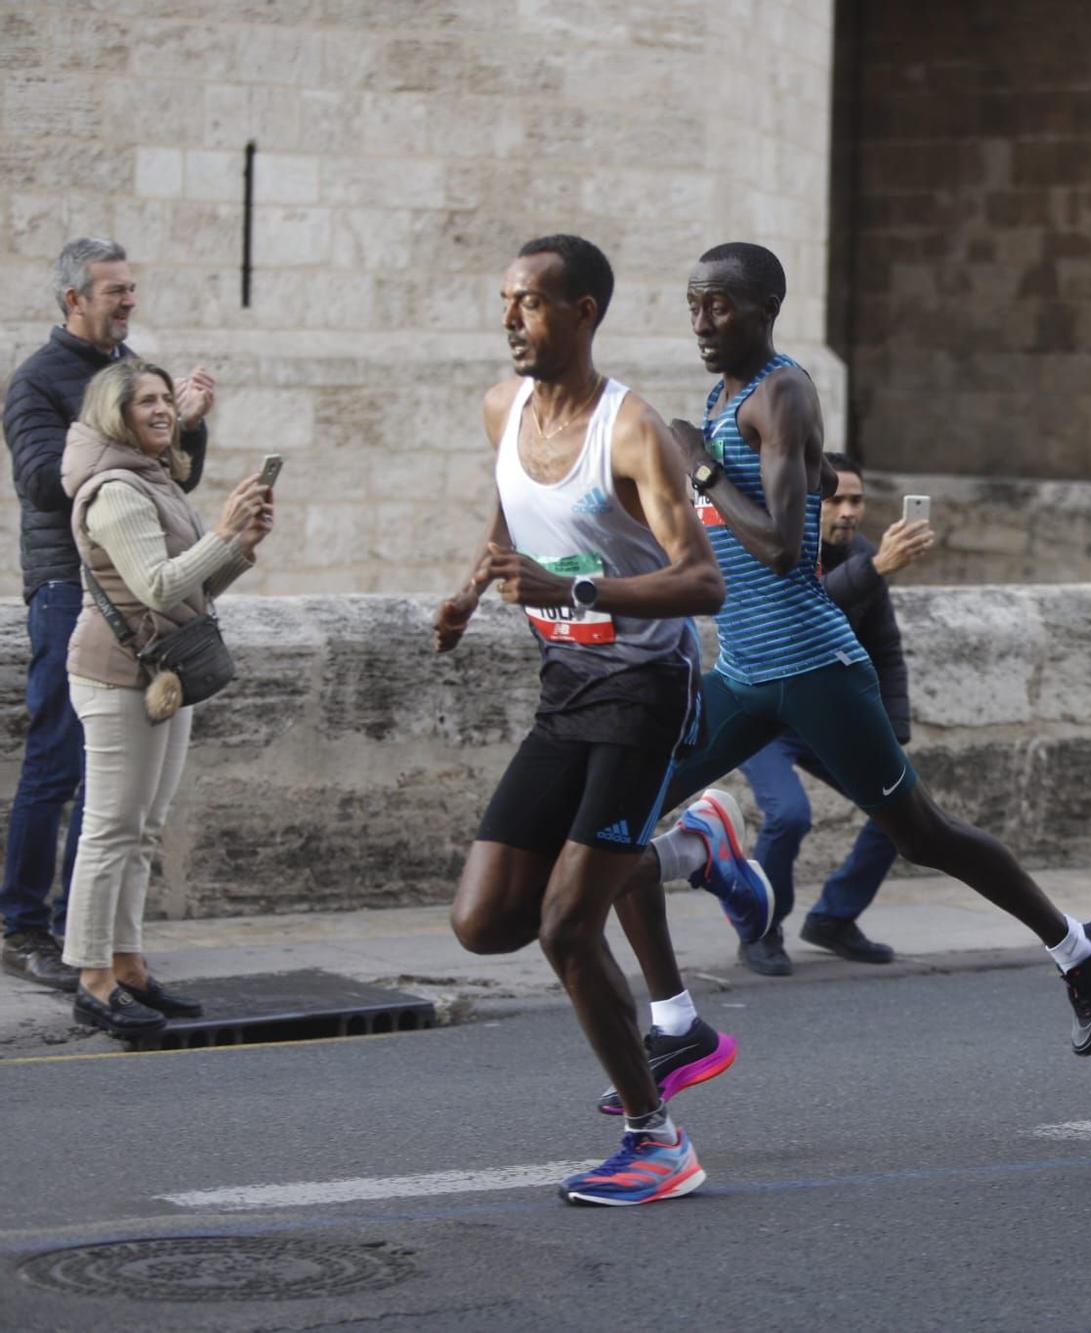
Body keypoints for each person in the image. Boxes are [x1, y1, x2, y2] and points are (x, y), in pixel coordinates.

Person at [607, 241, 1091, 1085]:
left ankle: (1081, 946)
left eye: (721, 305)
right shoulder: (721, 395)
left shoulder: (784, 392)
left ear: (767, 306)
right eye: (694, 304)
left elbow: (781, 548)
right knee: (619, 815)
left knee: (924, 834)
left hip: (817, 671)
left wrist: (697, 463)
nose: (703, 321)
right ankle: (678, 1015)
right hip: (743, 671)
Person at [435, 235, 761, 1206]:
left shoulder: (632, 432)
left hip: (645, 695)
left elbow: (703, 582)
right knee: (484, 920)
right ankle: (693, 845)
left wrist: (571, 581)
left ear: (582, 312)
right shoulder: (502, 408)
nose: (509, 321)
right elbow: (507, 515)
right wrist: (470, 588)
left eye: (529, 303)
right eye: (504, 301)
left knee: (568, 929)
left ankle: (657, 1139)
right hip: (564, 686)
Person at [2, 238, 214, 992]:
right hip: (71, 586)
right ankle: (23, 923)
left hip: (137, 589)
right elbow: (39, 481)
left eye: (131, 288)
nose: (129, 301)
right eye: (114, 291)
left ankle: (85, 933)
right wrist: (119, 426)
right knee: (57, 757)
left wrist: (182, 426)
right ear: (74, 300)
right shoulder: (37, 381)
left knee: (119, 789)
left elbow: (170, 477)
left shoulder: (127, 372)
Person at [59, 361, 265, 1036]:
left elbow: (190, 593)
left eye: (164, 400)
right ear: (116, 413)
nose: (162, 410)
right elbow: (155, 585)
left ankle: (128, 963)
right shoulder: (117, 490)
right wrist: (222, 531)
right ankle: (91, 975)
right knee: (111, 828)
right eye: (145, 401)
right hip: (119, 673)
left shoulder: (156, 479)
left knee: (143, 829)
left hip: (162, 668)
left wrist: (238, 546)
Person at [730, 451, 934, 974]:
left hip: (829, 716)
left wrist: (895, 729)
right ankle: (761, 928)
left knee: (905, 814)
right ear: (806, 502)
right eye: (833, 499)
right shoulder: (774, 549)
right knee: (789, 814)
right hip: (767, 715)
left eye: (856, 500)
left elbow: (884, 648)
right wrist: (877, 568)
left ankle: (834, 919)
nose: (846, 511)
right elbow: (800, 614)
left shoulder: (862, 554)